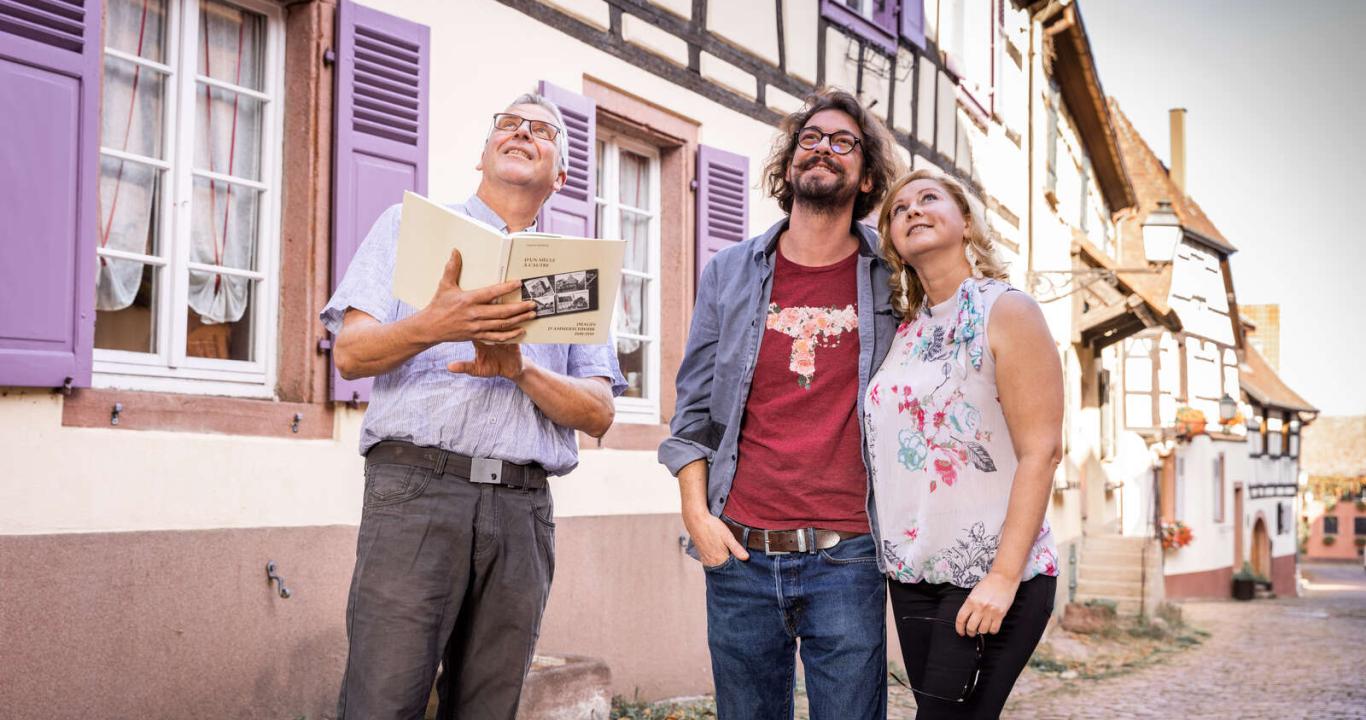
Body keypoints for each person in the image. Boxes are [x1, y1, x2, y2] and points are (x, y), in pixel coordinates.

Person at [321, 93, 625, 720]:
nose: (522, 133)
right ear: (484, 153)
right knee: (383, 699)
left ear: (560, 174)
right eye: (507, 124)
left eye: (542, 130)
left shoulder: (576, 275)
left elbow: (598, 412)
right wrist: (436, 322)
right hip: (416, 493)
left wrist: (522, 370)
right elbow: (350, 354)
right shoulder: (410, 232)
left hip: (522, 509)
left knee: (487, 708)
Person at [658, 89, 902, 719]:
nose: (823, 147)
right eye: (810, 137)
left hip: (848, 552)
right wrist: (698, 518)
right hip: (739, 550)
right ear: (790, 162)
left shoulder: (893, 276)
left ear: (867, 174)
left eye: (843, 141)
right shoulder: (731, 272)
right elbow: (693, 412)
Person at [867, 169, 1062, 718]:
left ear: (967, 222)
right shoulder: (905, 332)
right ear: (893, 243)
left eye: (929, 199)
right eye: (899, 209)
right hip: (912, 572)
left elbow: (1041, 452)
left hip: (997, 571)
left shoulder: (1007, 310)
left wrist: (1001, 579)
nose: (913, 210)